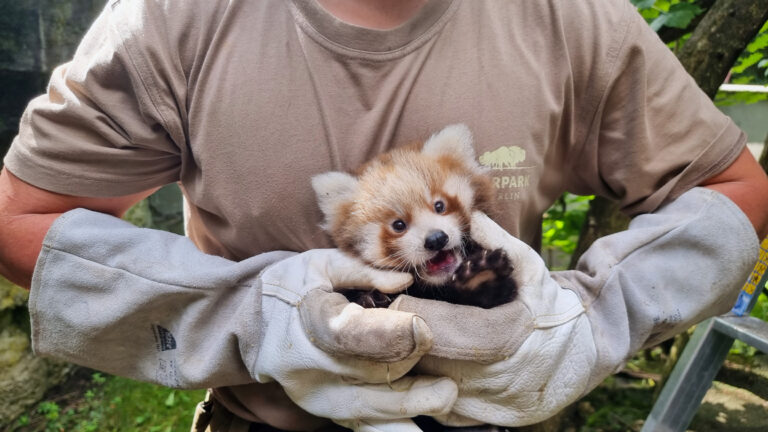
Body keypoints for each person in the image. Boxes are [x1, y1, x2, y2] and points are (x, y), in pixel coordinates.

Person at [1, 0, 767, 431]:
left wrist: (591, 323)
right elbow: (21, 218)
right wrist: (250, 320)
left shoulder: (572, 18)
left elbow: (737, 189)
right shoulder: (171, 19)